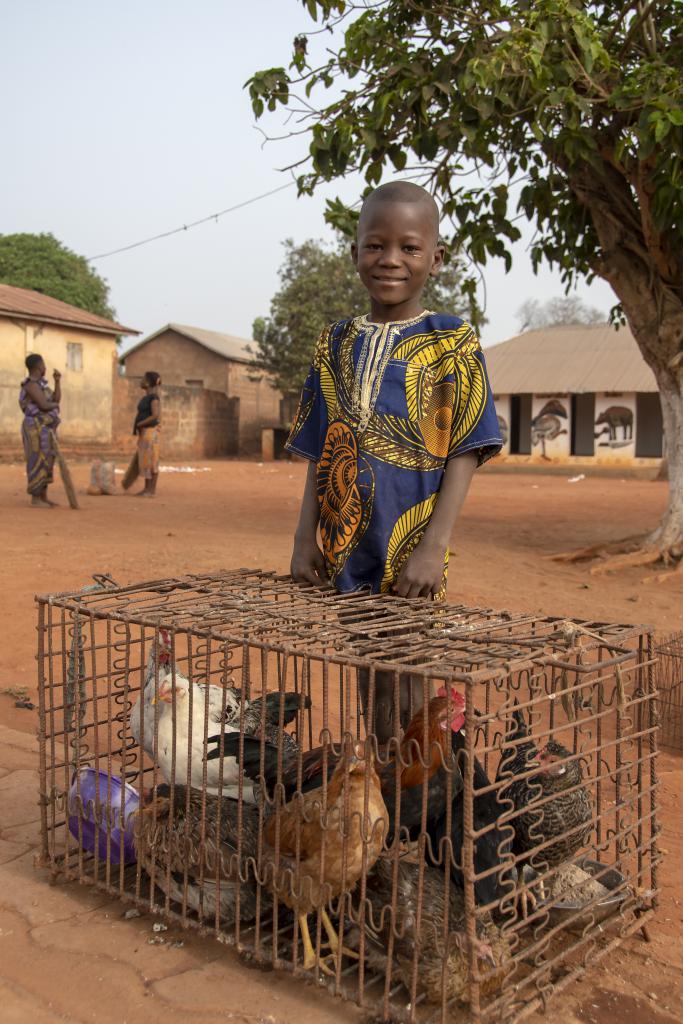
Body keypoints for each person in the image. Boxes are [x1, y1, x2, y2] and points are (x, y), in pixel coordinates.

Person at [287, 181, 502, 742]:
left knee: (407, 678)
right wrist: (304, 537)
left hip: (413, 544)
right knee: (369, 672)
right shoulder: (333, 343)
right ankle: (384, 792)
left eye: (409, 247)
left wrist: (435, 546)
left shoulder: (450, 339)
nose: (390, 260)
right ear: (355, 250)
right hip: (345, 542)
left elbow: (467, 447)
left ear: (436, 257)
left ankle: (416, 804)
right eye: (375, 245)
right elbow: (320, 445)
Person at [19, 353, 61, 508]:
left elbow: (55, 400)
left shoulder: (43, 385)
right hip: (34, 428)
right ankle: (35, 498)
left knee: (48, 460)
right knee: (36, 459)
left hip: (46, 428)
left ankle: (44, 497)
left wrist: (57, 382)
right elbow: (44, 405)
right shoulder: (30, 385)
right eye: (43, 365)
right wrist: (55, 407)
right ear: (38, 367)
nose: (45, 367)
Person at [133, 371, 161, 497]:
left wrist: (140, 423)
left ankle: (152, 490)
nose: (141, 380)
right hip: (145, 432)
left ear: (148, 382)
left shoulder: (154, 397)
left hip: (151, 432)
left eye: (143, 378)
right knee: (146, 461)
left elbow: (155, 415)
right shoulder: (146, 397)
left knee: (152, 461)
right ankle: (146, 489)